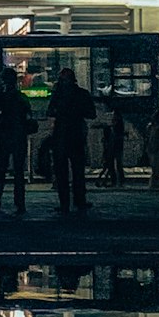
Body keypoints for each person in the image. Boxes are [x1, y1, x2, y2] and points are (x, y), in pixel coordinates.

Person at [48, 67, 97, 215]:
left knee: (62, 172)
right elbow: (92, 114)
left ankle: (65, 203)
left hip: (61, 137)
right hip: (76, 136)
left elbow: (50, 112)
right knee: (78, 171)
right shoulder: (82, 94)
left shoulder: (58, 95)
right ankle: (79, 200)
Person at [0, 68, 33, 214]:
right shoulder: (21, 98)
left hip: (5, 137)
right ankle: (20, 203)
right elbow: (28, 116)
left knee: (1, 170)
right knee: (18, 171)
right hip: (19, 137)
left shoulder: (1, 98)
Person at [110, 106, 126, 187]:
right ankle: (120, 180)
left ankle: (117, 180)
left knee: (116, 163)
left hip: (116, 145)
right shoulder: (120, 123)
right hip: (118, 145)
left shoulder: (117, 124)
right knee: (118, 164)